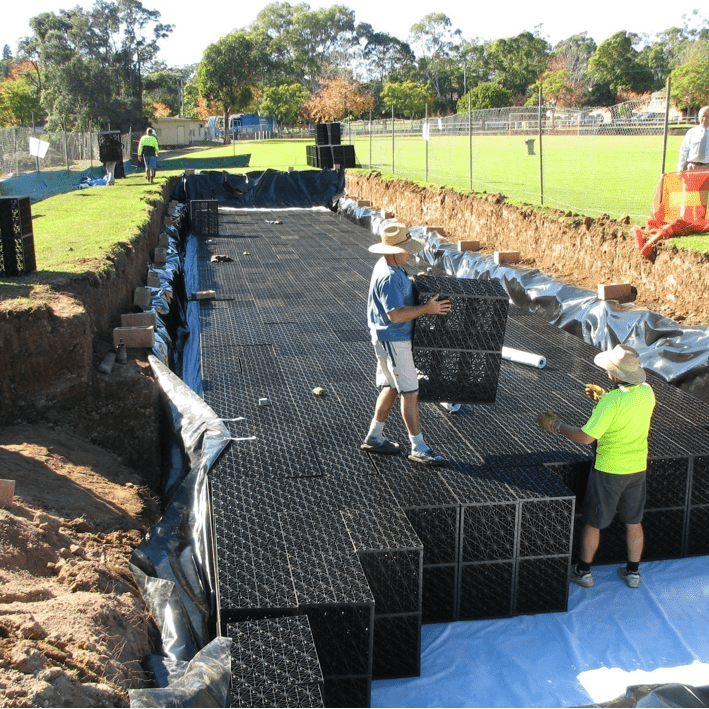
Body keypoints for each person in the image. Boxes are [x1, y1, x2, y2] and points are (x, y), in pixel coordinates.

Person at [537, 344, 656, 589]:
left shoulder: (611, 401)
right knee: (634, 522)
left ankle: (583, 572)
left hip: (609, 470)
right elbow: (628, 407)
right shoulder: (647, 392)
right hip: (637, 468)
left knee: (593, 522)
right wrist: (604, 397)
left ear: (614, 373)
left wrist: (555, 426)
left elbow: (586, 437)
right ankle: (633, 573)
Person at [361, 223, 451, 466]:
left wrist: (413, 283)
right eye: (407, 249)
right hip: (393, 339)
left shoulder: (389, 265)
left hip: (385, 338)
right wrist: (428, 308)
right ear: (393, 250)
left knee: (391, 387)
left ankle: (374, 436)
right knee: (409, 393)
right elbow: (396, 315)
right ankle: (418, 447)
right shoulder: (389, 276)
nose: (411, 253)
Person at [677, 106, 709, 172]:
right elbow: (684, 151)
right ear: (699, 117)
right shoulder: (691, 132)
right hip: (692, 168)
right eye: (703, 116)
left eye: (707, 116)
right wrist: (680, 168)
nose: (705, 119)